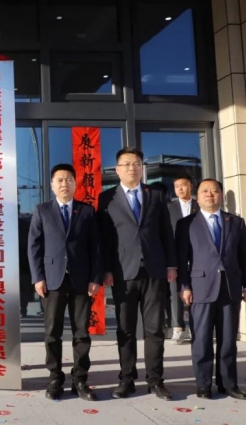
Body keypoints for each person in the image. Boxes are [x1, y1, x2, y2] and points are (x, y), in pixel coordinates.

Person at [97, 147, 177, 400]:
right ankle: (127, 379)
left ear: (142, 168)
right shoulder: (106, 198)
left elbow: (166, 232)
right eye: (126, 164)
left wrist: (171, 264)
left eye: (136, 164)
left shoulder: (155, 195)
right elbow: (104, 239)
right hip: (123, 272)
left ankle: (155, 380)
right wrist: (106, 269)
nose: (132, 168)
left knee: (155, 329)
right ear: (117, 169)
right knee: (125, 329)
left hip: (154, 270)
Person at [28, 164, 103, 401]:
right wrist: (38, 277)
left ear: (75, 183)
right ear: (52, 185)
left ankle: (80, 379)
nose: (64, 184)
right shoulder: (42, 210)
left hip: (81, 280)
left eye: (68, 179)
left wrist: (95, 278)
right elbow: (34, 247)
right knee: (52, 332)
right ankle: (55, 378)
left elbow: (96, 248)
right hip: (52, 280)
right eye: (59, 180)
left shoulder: (87, 211)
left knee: (81, 332)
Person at [176, 178, 246, 400]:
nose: (210, 194)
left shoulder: (235, 222)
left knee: (228, 340)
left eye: (214, 191)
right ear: (197, 196)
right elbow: (181, 259)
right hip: (200, 287)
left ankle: (228, 384)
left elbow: (245, 256)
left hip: (231, 287)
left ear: (221, 195)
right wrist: (184, 286)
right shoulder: (186, 224)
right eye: (205, 191)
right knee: (201, 339)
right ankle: (203, 385)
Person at [166, 174, 199, 345]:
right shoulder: (169, 207)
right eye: (176, 186)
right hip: (175, 255)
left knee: (197, 292)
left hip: (196, 255)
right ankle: (178, 328)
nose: (180, 189)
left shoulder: (199, 205)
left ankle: (196, 328)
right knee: (174, 293)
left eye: (183, 185)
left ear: (191, 186)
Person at [18, 214, 33, 318]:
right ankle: (23, 309)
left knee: (23, 287)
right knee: (23, 287)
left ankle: (23, 309)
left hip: (22, 260)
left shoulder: (24, 224)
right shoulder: (25, 224)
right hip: (24, 260)